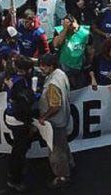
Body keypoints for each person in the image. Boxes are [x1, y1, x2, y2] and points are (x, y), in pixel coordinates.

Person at [5, 56, 39, 193]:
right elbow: (25, 103)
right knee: (19, 151)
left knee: (17, 149)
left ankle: (13, 174)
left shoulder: (11, 79)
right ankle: (15, 179)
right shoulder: (21, 84)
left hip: (10, 115)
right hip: (18, 120)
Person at [38, 53, 72, 188]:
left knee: (56, 151)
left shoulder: (52, 84)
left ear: (50, 66)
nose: (41, 69)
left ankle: (62, 176)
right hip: (63, 118)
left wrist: (44, 117)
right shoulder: (60, 73)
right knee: (63, 144)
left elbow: (55, 105)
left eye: (43, 67)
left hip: (55, 122)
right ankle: (70, 164)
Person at [51, 15, 90, 88]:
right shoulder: (60, 31)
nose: (74, 30)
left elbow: (90, 49)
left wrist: (87, 63)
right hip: (64, 66)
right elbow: (56, 44)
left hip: (80, 67)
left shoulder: (85, 32)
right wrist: (65, 29)